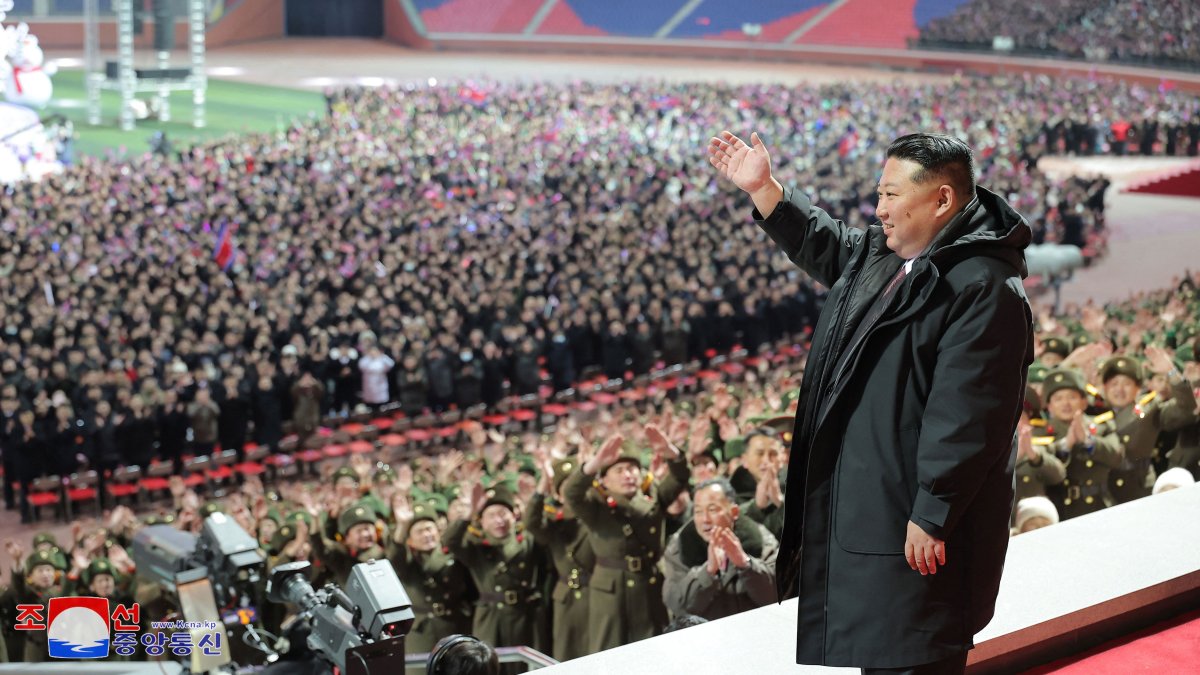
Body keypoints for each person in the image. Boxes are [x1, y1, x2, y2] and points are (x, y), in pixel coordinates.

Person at [709, 131, 1033, 673]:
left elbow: (971, 415)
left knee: (915, 652)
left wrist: (933, 510)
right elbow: (831, 247)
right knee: (881, 651)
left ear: (942, 200)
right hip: (877, 510)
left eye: (889, 196)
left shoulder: (983, 286)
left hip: (918, 524)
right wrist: (766, 191)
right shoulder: (895, 253)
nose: (877, 209)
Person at [662, 477, 778, 621]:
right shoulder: (679, 546)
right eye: (698, 511)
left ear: (734, 512)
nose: (705, 519)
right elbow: (678, 606)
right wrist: (708, 571)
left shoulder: (761, 539)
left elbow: (777, 594)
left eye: (712, 509)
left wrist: (745, 564)